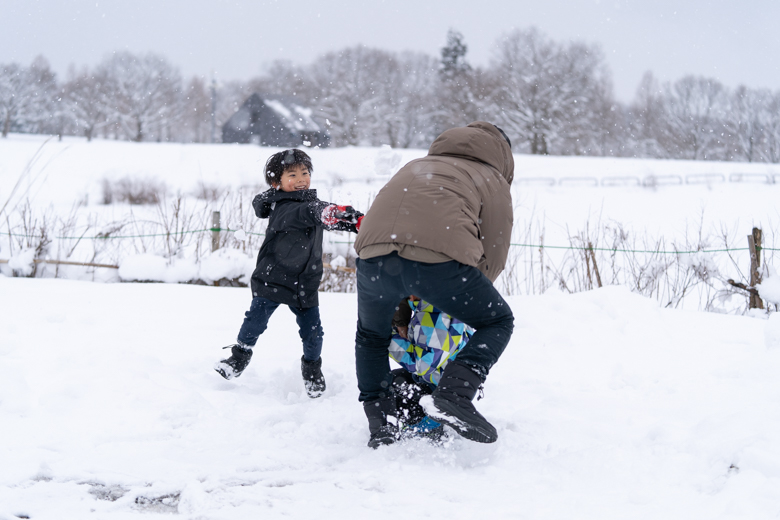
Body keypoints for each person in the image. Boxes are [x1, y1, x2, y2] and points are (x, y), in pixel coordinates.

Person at [353, 121, 515, 447]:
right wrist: (457, 302)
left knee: (371, 336)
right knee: (497, 321)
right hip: (439, 259)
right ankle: (454, 393)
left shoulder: (417, 165)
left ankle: (381, 422)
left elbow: (392, 232)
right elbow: (494, 252)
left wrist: (399, 309)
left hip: (371, 256)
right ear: (503, 156)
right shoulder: (492, 179)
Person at [215, 148, 363, 398]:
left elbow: (323, 212)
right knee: (255, 322)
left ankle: (312, 370)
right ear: (277, 183)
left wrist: (357, 221)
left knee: (314, 332)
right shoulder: (281, 207)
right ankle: (238, 358)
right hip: (272, 278)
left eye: (305, 173)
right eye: (292, 175)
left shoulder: (313, 204)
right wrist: (325, 213)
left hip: (305, 282)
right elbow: (307, 213)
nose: (301, 179)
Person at [388, 295, 473, 441]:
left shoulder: (437, 317)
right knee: (395, 379)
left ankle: (428, 428)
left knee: (398, 387)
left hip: (439, 392)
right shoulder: (438, 309)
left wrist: (388, 339)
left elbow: (423, 365)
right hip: (441, 381)